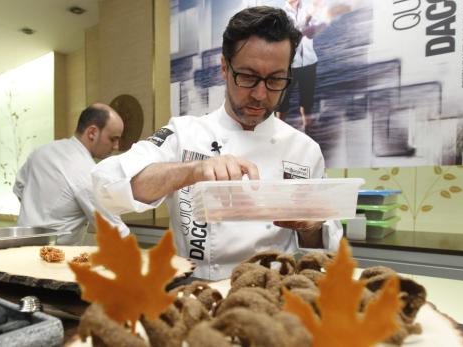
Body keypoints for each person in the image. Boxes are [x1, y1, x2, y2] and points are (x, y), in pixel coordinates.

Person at [92, 6, 342, 280]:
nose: (260, 94)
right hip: (193, 290)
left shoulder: (305, 150)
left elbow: (325, 247)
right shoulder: (184, 133)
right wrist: (192, 171)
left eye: (275, 79)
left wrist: (310, 228)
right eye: (247, 76)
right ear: (225, 67)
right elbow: (105, 184)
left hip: (271, 296)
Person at [14, 103, 129, 244]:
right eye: (113, 139)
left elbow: (19, 187)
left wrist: (39, 213)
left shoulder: (42, 151)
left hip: (18, 249)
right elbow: (114, 231)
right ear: (92, 133)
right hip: (52, 258)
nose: (116, 146)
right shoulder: (87, 173)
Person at [276, 0, 327, 132]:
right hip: (290, 64)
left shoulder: (307, 9)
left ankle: (308, 127)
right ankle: (278, 130)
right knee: (283, 101)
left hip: (310, 61)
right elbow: (291, 34)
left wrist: (313, 22)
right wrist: (307, 19)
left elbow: (314, 31)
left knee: (307, 99)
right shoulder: (282, 13)